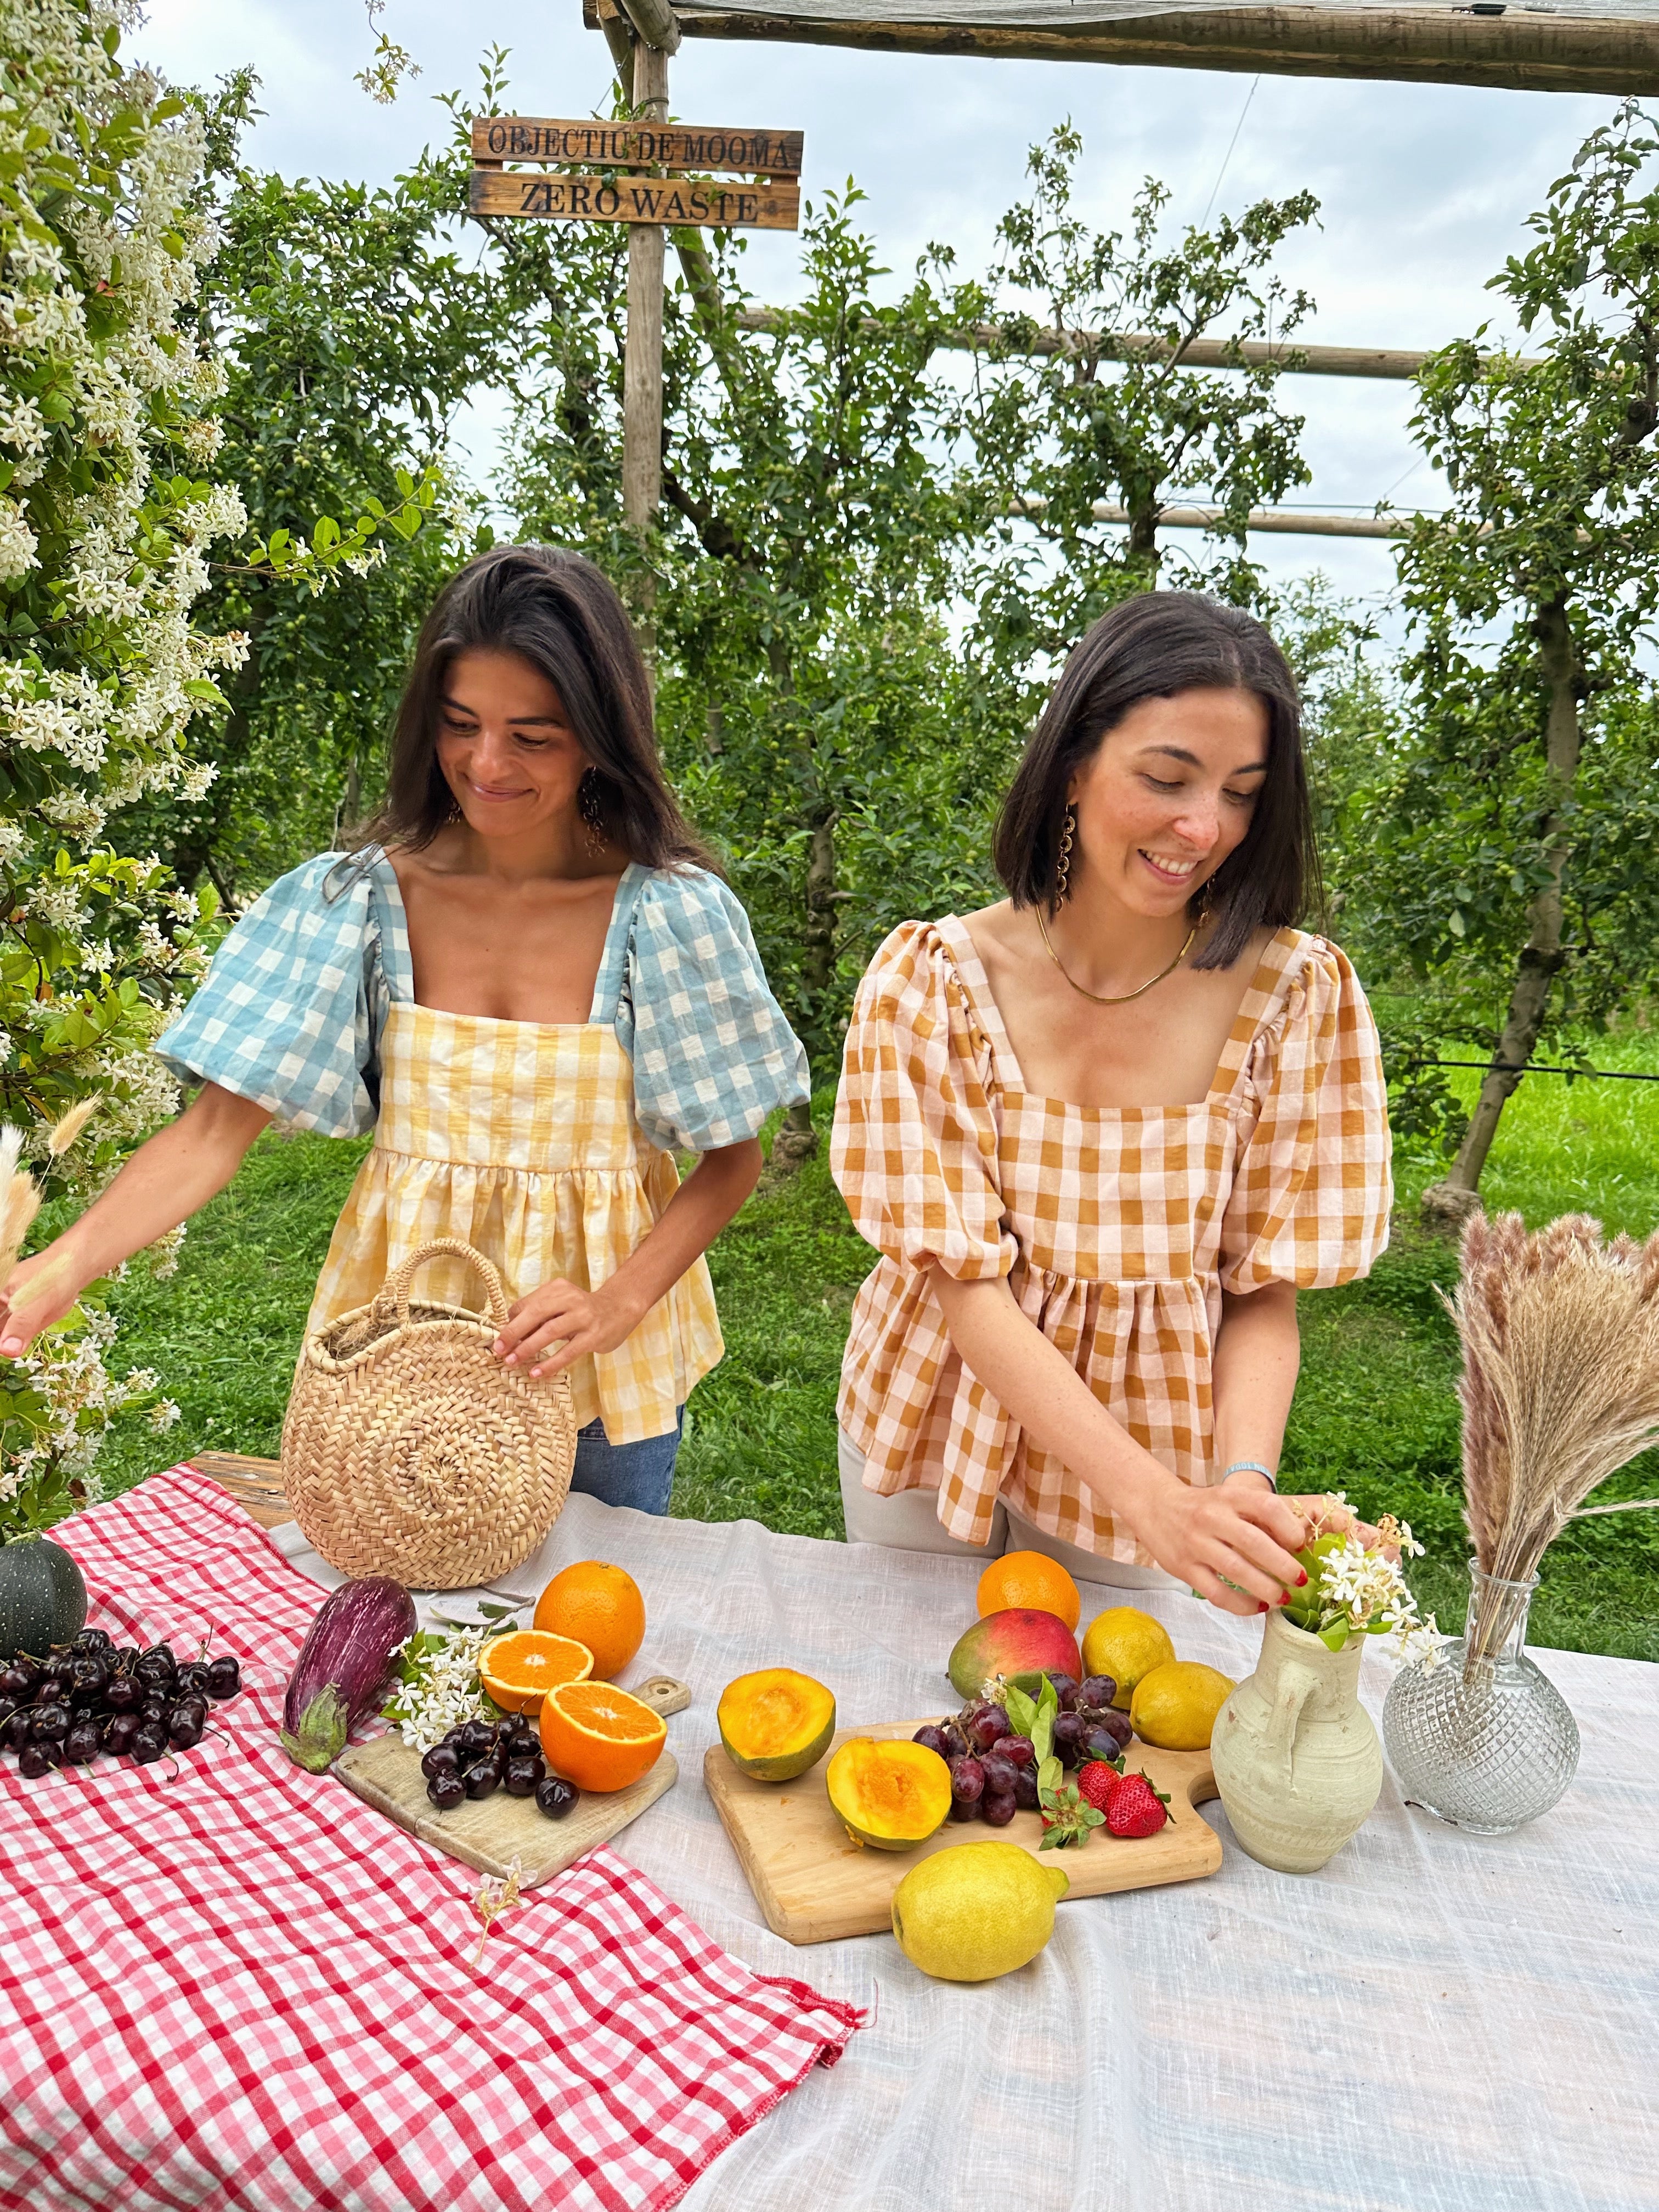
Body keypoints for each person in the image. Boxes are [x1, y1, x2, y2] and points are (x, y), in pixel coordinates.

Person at [0, 545, 808, 1515]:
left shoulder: (667, 916)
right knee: (391, 1635)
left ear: (600, 737)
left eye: (533, 737)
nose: (486, 764)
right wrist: (61, 1267)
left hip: (592, 1376)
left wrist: (618, 1300)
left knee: (589, 1630)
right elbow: (216, 1130)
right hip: (389, 1365)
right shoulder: (358, 902)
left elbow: (731, 1159)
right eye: (460, 726)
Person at [830, 591, 1392, 1615]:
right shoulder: (937, 979)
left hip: (1155, 1439)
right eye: (1168, 777)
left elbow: (1263, 1290)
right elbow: (964, 1282)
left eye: (1242, 792)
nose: (1204, 826)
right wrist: (1156, 1502)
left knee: (1102, 1733)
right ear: (1075, 764)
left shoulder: (1293, 996)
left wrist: (1231, 1488)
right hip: (929, 1418)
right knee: (906, 1686)